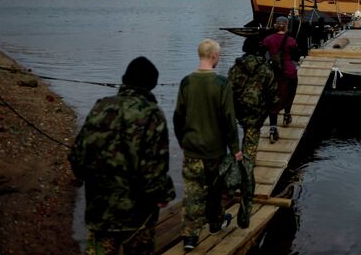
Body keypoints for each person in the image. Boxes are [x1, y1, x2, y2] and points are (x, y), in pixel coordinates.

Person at [68, 56, 175, 255]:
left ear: (125, 80)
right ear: (151, 85)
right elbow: (155, 169)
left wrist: (89, 181)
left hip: (99, 213)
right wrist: (163, 196)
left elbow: (77, 157)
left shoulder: (100, 106)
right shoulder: (152, 113)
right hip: (137, 218)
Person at [174, 39, 242, 251]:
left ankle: (190, 238)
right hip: (215, 150)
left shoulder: (186, 82)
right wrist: (236, 149)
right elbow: (229, 120)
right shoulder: (222, 84)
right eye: (218, 55)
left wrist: (182, 142)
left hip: (192, 149)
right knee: (215, 191)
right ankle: (215, 224)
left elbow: (178, 117)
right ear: (213, 56)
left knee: (192, 193)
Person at [227, 36, 279, 228]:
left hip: (238, 111)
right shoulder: (265, 68)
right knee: (250, 145)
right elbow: (273, 92)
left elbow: (228, 90)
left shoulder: (235, 68)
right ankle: (245, 180)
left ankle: (233, 178)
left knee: (236, 144)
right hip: (257, 113)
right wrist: (272, 108)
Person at [262, 16, 299, 142]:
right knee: (289, 94)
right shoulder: (291, 41)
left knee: (273, 98)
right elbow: (296, 57)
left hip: (274, 73)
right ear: (287, 26)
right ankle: (287, 115)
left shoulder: (268, 39)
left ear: (275, 25)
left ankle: (272, 128)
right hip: (289, 72)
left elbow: (264, 55)